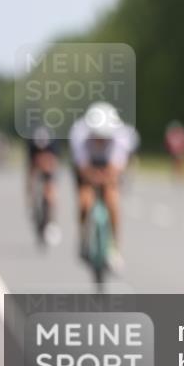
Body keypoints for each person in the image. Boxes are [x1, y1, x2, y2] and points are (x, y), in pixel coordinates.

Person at [69, 102, 138, 271]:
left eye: (104, 136)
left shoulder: (122, 137)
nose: (101, 140)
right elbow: (82, 167)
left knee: (112, 200)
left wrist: (107, 179)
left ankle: (115, 247)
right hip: (88, 168)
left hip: (109, 167)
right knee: (84, 202)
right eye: (97, 136)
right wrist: (92, 178)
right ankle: (83, 238)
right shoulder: (79, 134)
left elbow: (116, 168)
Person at [25, 125, 61, 244]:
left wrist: (50, 186)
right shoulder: (32, 145)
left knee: (50, 191)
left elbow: (54, 164)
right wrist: (30, 194)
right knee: (31, 179)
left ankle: (51, 220)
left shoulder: (53, 145)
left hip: (49, 165)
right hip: (35, 164)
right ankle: (32, 205)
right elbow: (30, 169)